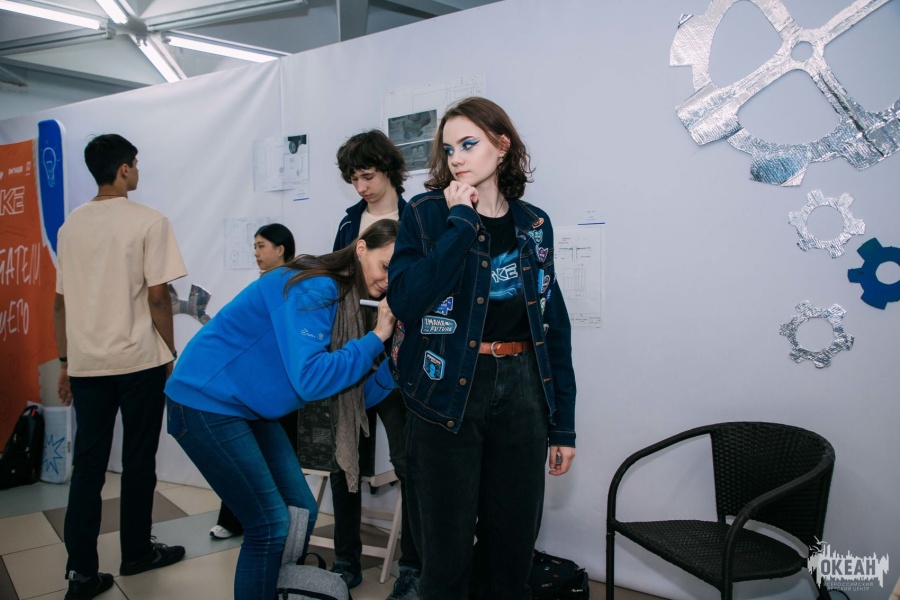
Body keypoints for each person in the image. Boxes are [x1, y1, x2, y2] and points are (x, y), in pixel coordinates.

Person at [386, 97, 577, 600]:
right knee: (445, 555)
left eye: (468, 144)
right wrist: (461, 222)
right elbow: (406, 300)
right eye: (449, 149)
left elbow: (553, 325)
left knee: (512, 549)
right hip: (446, 389)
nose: (456, 159)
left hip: (522, 390)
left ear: (502, 145)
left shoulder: (534, 224)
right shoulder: (427, 214)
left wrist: (563, 424)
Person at [165, 219, 400, 600]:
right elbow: (310, 379)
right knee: (271, 524)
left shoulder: (352, 302)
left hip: (249, 408)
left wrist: (396, 363)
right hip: (204, 400)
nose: (388, 280)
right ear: (361, 249)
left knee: (300, 511)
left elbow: (356, 394)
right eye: (385, 266)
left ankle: (274, 589)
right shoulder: (317, 285)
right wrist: (377, 338)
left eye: (397, 273)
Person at [54, 134, 187, 600]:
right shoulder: (149, 220)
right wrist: (169, 353)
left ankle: (81, 573)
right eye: (136, 163)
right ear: (125, 169)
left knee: (87, 467)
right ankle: (136, 553)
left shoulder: (70, 226)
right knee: (138, 461)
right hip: (138, 361)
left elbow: (60, 303)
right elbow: (158, 297)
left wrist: (65, 362)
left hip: (87, 364)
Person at [330, 129, 421, 599]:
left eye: (367, 176)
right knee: (345, 457)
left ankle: (414, 565)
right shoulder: (350, 223)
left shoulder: (418, 216)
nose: (361, 186)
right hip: (356, 348)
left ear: (388, 169)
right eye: (354, 179)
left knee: (409, 461)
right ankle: (345, 558)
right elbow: (338, 282)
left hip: (401, 352)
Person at [209, 222, 298, 540]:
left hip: (283, 385)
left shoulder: (294, 285)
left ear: (280, 249)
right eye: (255, 247)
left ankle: (282, 523)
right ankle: (235, 519)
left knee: (281, 458)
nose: (256, 253)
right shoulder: (262, 284)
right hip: (255, 384)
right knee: (245, 454)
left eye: (262, 246)